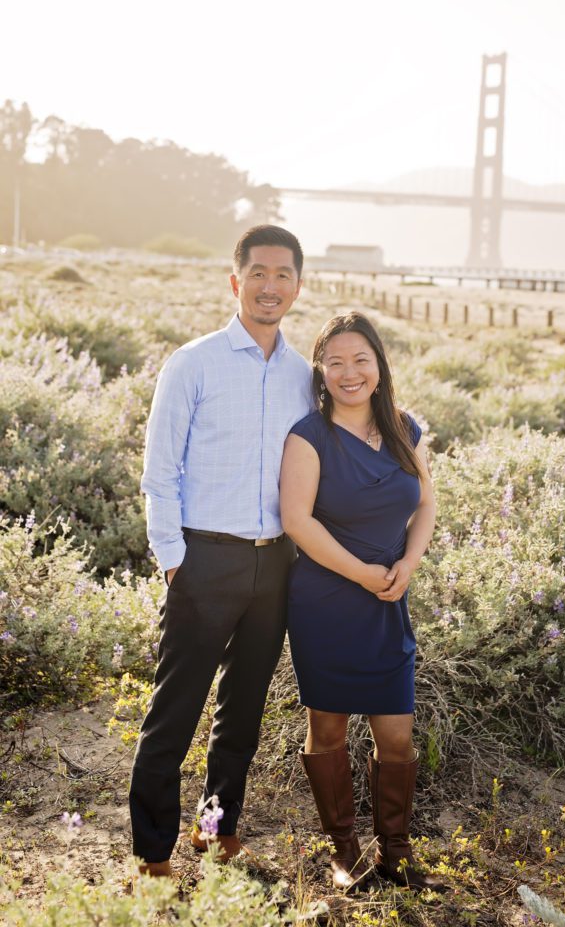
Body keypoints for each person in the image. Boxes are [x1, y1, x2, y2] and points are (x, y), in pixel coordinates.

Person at [129, 224, 312, 878]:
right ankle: (153, 853)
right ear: (237, 282)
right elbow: (159, 471)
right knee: (175, 711)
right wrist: (172, 558)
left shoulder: (303, 375)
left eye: (283, 274)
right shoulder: (193, 363)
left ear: (297, 286)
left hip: (276, 562)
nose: (270, 286)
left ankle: (216, 829)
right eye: (258, 273)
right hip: (203, 560)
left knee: (242, 712)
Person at [280, 311, 446, 893]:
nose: (349, 373)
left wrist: (408, 564)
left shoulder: (403, 428)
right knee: (326, 730)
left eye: (360, 360)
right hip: (326, 602)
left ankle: (396, 852)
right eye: (335, 362)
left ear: (379, 366)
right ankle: (344, 852)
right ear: (320, 371)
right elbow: (297, 521)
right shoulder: (308, 436)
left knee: (396, 735)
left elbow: (426, 503)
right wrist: (362, 573)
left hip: (387, 600)